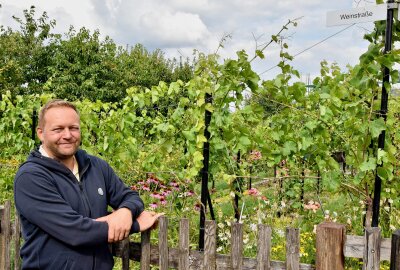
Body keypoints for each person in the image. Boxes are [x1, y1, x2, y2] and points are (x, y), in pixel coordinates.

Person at [14, 99, 162, 270]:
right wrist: (135, 224)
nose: (68, 135)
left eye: (73, 128)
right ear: (40, 133)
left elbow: (130, 197)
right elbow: (76, 232)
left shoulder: (96, 166)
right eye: (58, 129)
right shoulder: (31, 177)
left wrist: (125, 212)